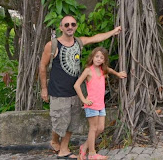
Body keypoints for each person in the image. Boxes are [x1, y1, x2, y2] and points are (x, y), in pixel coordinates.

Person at [39, 15, 122, 159]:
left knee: (72, 121)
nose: (70, 27)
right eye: (66, 25)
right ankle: (55, 141)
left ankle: (63, 148)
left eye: (72, 24)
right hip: (58, 90)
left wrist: (113, 32)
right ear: (61, 28)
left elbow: (96, 38)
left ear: (76, 26)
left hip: (75, 91)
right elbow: (42, 66)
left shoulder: (79, 42)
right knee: (60, 120)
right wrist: (44, 88)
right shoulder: (52, 45)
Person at [74, 47, 127, 160]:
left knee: (100, 128)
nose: (98, 59)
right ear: (92, 57)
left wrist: (117, 74)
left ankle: (84, 148)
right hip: (91, 104)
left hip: (101, 104)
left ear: (104, 60)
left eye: (101, 58)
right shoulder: (89, 70)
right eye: (96, 56)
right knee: (93, 128)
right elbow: (76, 85)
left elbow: (109, 69)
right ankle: (92, 154)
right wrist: (84, 100)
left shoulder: (103, 70)